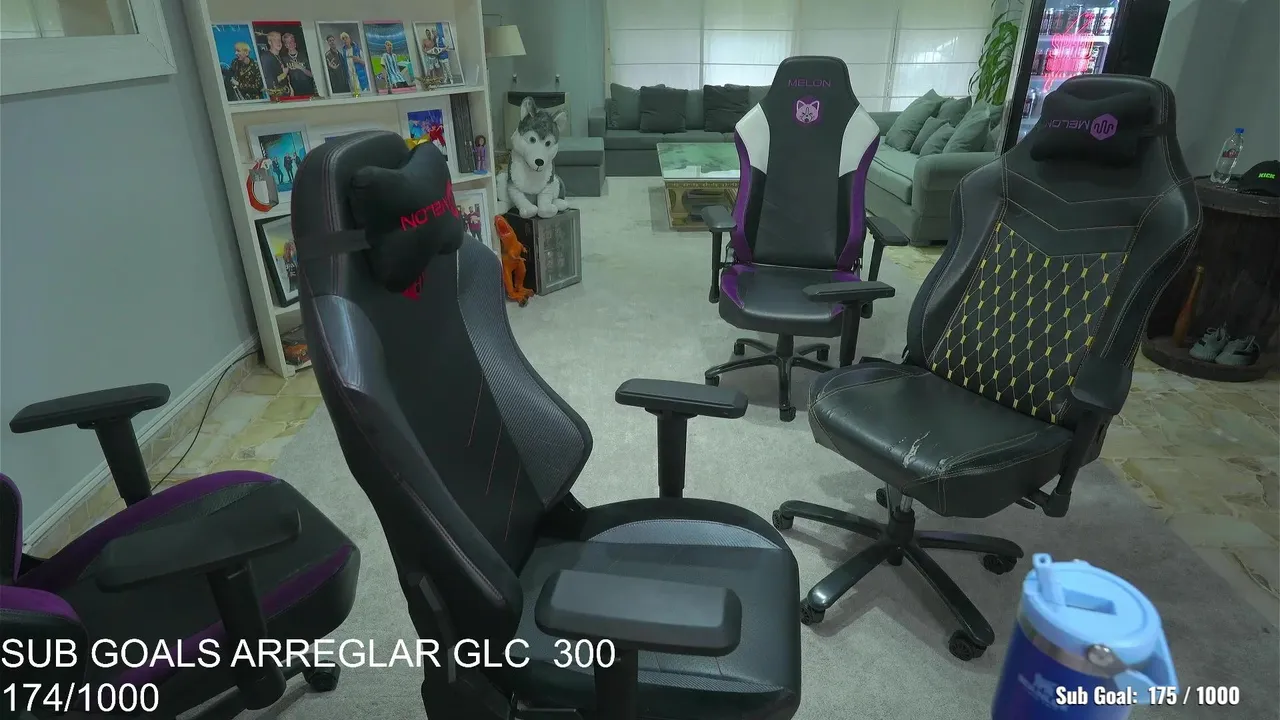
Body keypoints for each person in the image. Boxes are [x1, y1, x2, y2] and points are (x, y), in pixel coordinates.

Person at [282, 32, 317, 96]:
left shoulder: (305, 56)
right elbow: (285, 78)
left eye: (292, 41)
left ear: (295, 44)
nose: (290, 44)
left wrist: (300, 67)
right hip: (294, 93)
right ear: (286, 45)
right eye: (288, 42)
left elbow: (313, 75)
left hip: (309, 90)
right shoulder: (284, 59)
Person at [259, 31, 291, 98]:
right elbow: (269, 83)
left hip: (286, 95)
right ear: (269, 42)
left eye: (279, 40)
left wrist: (291, 88)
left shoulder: (279, 56)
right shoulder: (266, 57)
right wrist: (283, 74)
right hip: (276, 98)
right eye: (275, 40)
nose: (278, 42)